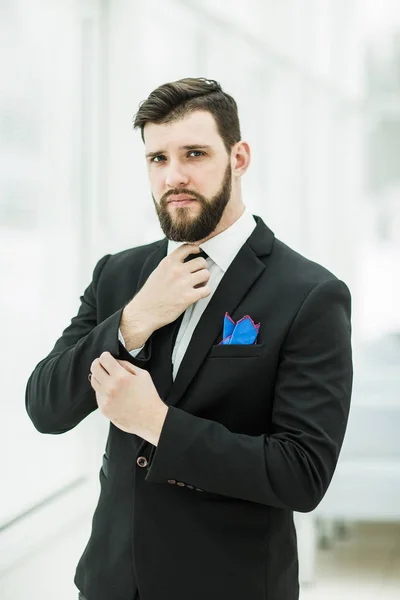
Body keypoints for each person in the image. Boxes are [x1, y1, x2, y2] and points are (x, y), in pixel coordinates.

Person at [25, 77, 353, 600]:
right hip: (111, 584)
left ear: (238, 157)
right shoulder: (118, 275)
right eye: (157, 159)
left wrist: (156, 424)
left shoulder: (311, 294)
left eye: (194, 153)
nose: (173, 175)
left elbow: (302, 473)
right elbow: (45, 407)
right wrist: (133, 321)